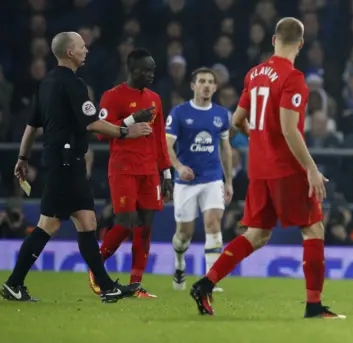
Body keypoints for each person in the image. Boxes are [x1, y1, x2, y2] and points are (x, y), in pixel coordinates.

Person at [189, 17, 345, 319]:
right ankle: (314, 306)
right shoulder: (293, 78)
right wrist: (311, 169)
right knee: (313, 228)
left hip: (258, 169)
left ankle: (206, 284)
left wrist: (257, 137)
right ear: (300, 44)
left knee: (257, 234)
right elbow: (290, 130)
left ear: (274, 40)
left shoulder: (255, 74)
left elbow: (237, 121)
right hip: (286, 168)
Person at [2, 32, 150, 303]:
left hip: (64, 161)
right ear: (70, 52)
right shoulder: (74, 84)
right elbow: (92, 123)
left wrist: (22, 158)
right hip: (65, 163)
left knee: (87, 222)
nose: (86, 50)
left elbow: (31, 125)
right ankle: (14, 283)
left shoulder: (45, 83)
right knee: (48, 225)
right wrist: (127, 131)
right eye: (82, 46)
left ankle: (106, 286)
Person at [87, 48, 172, 299]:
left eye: (152, 70)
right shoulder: (113, 96)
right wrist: (130, 120)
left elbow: (159, 140)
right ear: (131, 69)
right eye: (145, 70)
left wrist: (166, 174)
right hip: (123, 169)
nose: (150, 74)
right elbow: (101, 133)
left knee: (145, 228)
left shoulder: (155, 98)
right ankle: (96, 267)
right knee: (125, 223)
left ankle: (136, 285)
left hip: (149, 171)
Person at [167, 67, 233, 293]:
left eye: (210, 82)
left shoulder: (222, 115)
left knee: (213, 223)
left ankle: (210, 279)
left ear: (215, 87)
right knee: (184, 234)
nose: (206, 85)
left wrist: (229, 181)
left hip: (212, 178)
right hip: (186, 182)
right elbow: (166, 147)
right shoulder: (179, 113)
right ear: (193, 86)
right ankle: (179, 263)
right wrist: (178, 167)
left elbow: (226, 150)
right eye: (202, 81)